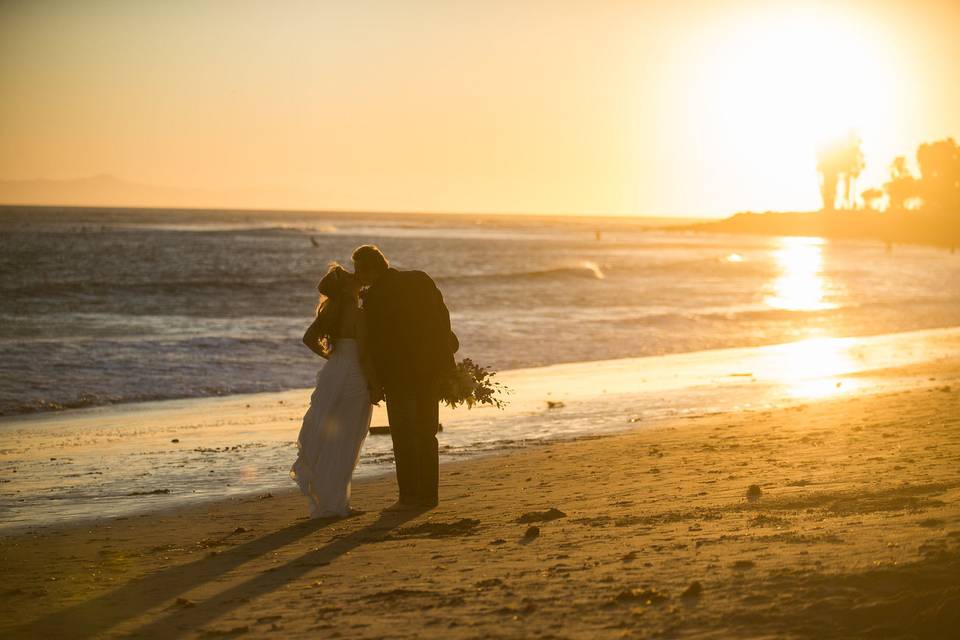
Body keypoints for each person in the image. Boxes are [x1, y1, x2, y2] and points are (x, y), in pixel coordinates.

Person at [352, 244, 458, 508]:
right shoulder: (420, 279)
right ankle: (429, 495)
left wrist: (375, 382)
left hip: (398, 376)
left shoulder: (375, 297)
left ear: (369, 270)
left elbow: (376, 344)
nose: (359, 277)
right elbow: (442, 322)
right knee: (426, 434)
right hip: (429, 371)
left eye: (359, 271)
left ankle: (409, 495)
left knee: (403, 436)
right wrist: (448, 365)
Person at [290, 263, 381, 518]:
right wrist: (374, 386)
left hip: (334, 373)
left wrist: (332, 357)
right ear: (348, 288)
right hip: (353, 377)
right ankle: (337, 504)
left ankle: (328, 502)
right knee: (347, 440)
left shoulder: (331, 311)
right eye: (354, 280)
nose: (358, 281)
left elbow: (308, 339)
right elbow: (363, 355)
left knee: (329, 438)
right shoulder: (358, 314)